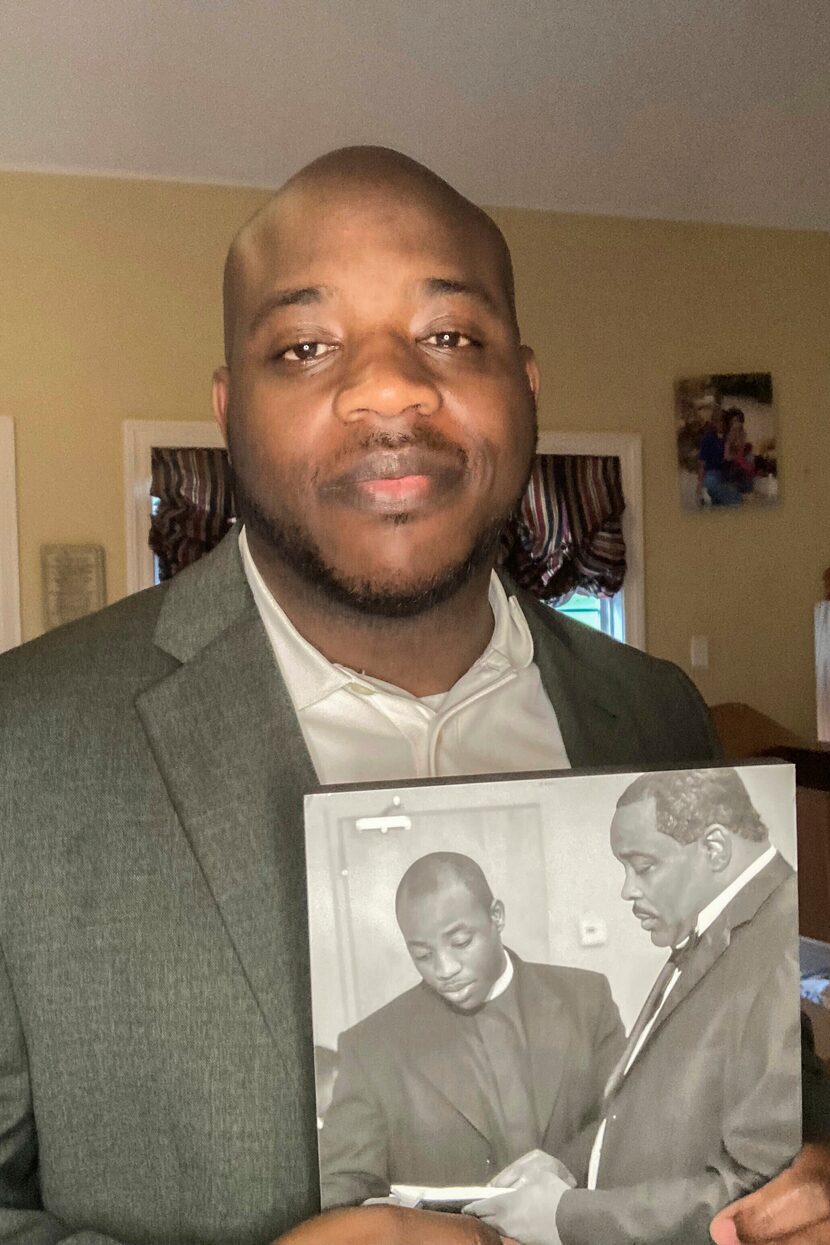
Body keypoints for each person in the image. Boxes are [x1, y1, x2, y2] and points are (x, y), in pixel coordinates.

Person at [0, 146, 826, 1245]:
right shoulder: (24, 747)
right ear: (228, 407)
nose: (389, 387)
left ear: (522, 387)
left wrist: (802, 1178)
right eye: (304, 346)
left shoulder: (652, 711)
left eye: (448, 337)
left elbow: (745, 1089)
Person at [469, 768, 801, 1243]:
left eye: (643, 866)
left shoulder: (783, 944)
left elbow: (760, 1194)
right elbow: (656, 1106)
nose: (627, 889)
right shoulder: (717, 931)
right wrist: (567, 1165)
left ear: (714, 849)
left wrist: (568, 1218)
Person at [320, 852, 624, 1207]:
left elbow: (627, 1122)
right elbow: (341, 1187)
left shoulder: (587, 1000)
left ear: (497, 916)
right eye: (422, 955)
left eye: (461, 942)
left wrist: (569, 1167)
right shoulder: (371, 1047)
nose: (444, 968)